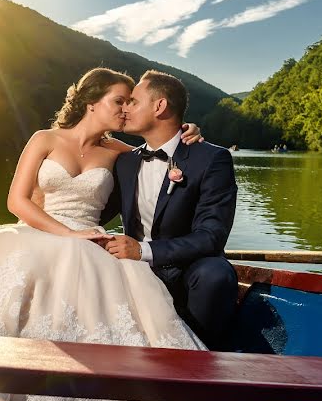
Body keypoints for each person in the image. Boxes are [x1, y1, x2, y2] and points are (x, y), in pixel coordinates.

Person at [0, 67, 267, 401]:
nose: (125, 109)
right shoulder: (45, 140)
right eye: (119, 101)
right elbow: (18, 201)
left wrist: (190, 132)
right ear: (92, 103)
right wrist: (66, 233)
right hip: (43, 233)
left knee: (146, 298)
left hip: (99, 244)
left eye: (130, 101)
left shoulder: (121, 153)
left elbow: (168, 148)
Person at [100, 70, 239, 349]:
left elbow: (211, 235)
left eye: (134, 101)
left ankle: (203, 357)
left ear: (160, 106)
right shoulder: (124, 162)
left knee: (215, 273)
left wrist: (143, 251)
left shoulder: (212, 159)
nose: (126, 108)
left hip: (184, 269)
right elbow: (94, 212)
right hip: (132, 269)